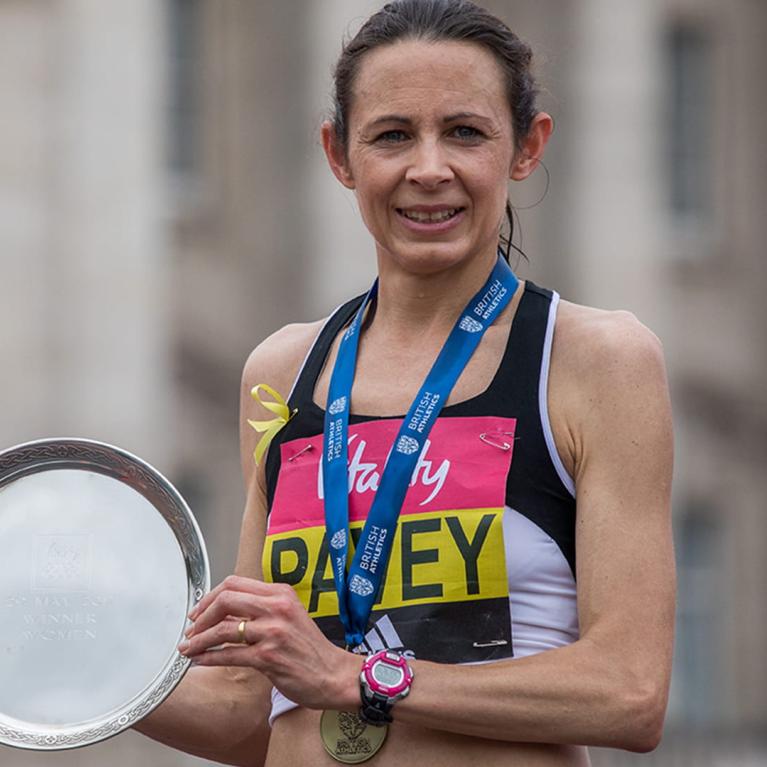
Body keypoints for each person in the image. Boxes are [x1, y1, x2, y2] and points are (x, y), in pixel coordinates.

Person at [136, 1, 675, 765]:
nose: (428, 169)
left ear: (526, 146)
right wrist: (86, 658)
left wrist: (360, 676)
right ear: (339, 155)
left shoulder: (594, 358)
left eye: (464, 131)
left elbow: (628, 691)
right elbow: (241, 711)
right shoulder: (283, 371)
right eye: (392, 135)